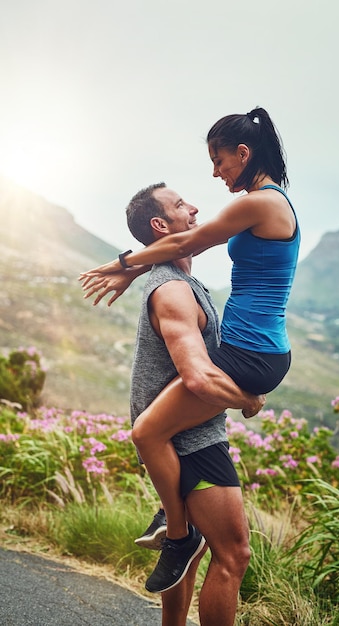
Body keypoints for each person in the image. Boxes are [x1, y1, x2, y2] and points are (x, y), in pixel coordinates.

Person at [80, 106, 301, 594]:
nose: (216, 172)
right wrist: (137, 270)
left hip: (250, 355)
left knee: (146, 432)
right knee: (157, 432)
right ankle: (174, 514)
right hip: (252, 350)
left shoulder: (259, 203)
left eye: (219, 161)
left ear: (243, 154)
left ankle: (179, 534)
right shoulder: (266, 201)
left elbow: (191, 240)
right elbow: (184, 247)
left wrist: (121, 262)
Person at [83, 182, 263, 626]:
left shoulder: (176, 278)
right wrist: (247, 400)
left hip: (180, 441)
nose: (195, 207)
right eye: (182, 204)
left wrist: (134, 266)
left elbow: (176, 251)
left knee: (190, 548)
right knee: (233, 555)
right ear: (161, 224)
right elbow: (197, 377)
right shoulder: (173, 290)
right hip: (192, 445)